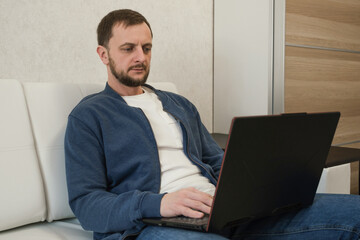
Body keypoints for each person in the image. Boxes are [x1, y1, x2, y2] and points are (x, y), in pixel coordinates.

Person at [65, 9, 360, 240]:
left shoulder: (178, 103)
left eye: (147, 47)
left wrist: (249, 191)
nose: (141, 57)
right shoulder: (89, 116)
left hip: (223, 211)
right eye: (128, 48)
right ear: (103, 54)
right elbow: (87, 204)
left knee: (355, 212)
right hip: (151, 225)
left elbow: (217, 160)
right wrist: (160, 204)